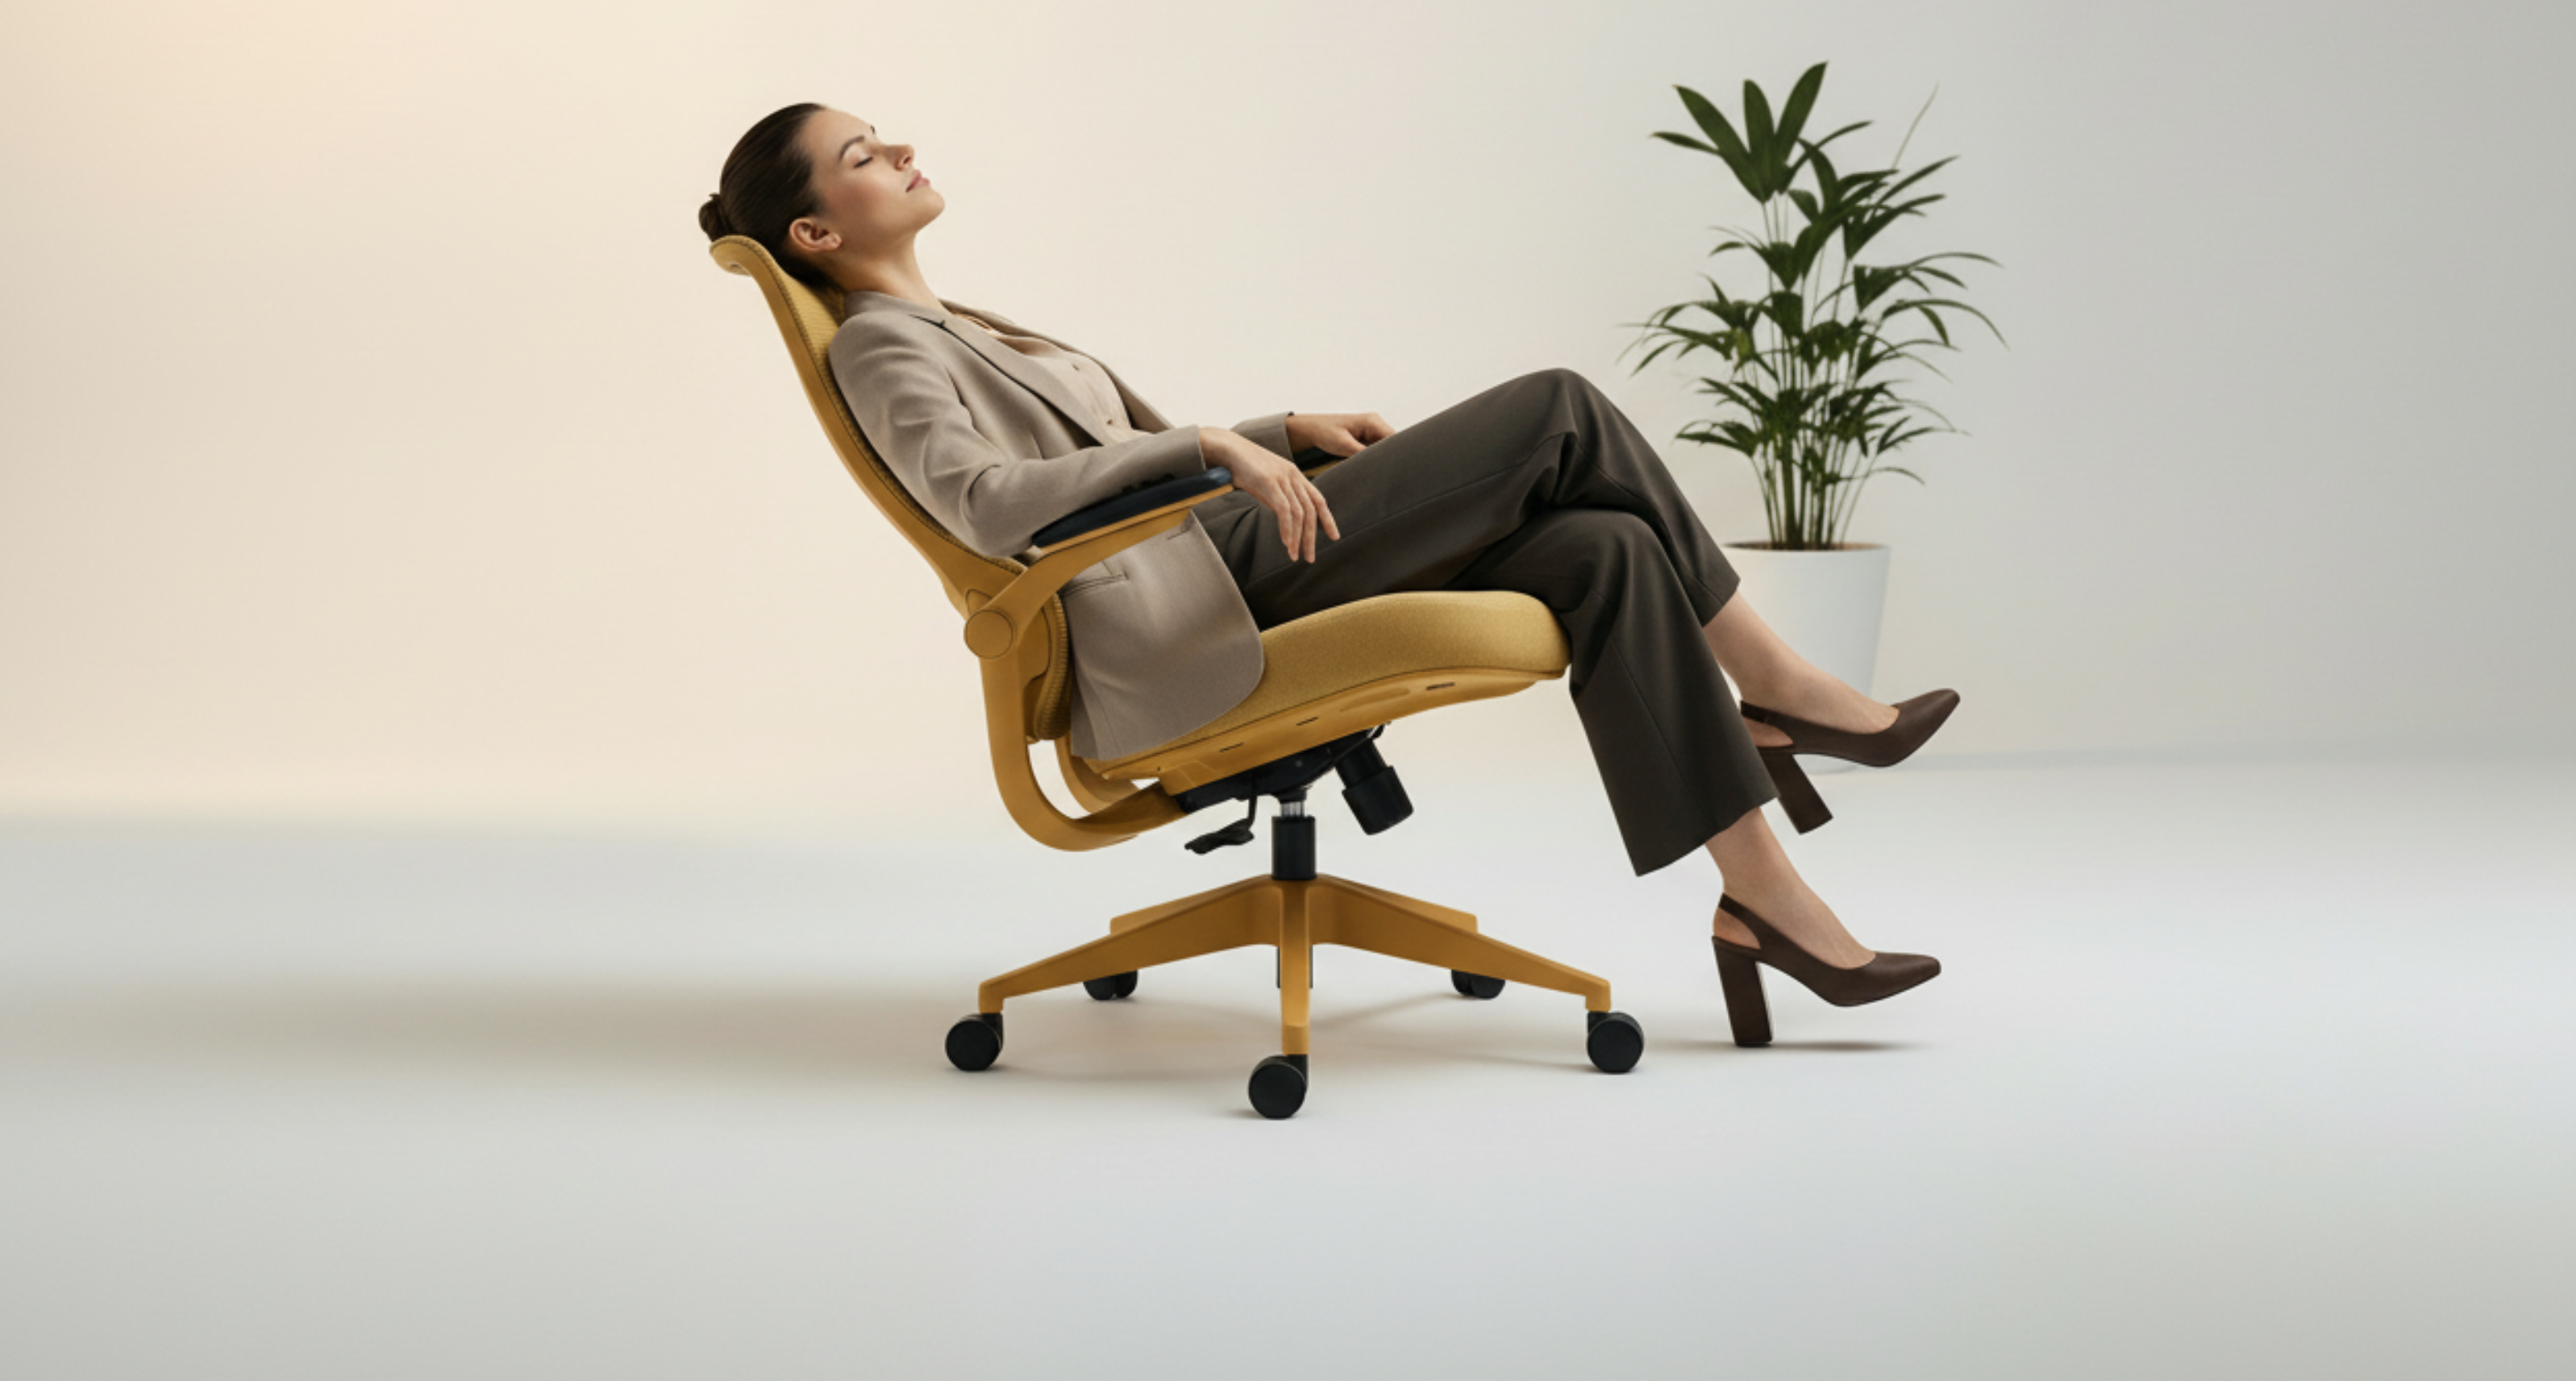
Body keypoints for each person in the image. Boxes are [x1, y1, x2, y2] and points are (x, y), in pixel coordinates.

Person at [697, 102, 1957, 1042]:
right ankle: (1784, 687)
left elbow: (1109, 465)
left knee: (1608, 548)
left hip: (1211, 559)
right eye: (866, 156)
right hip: (1192, 609)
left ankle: (1766, 901)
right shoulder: (879, 347)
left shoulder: (955, 324)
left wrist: (1277, 430)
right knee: (1560, 409)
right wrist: (1201, 443)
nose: (901, 148)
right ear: (813, 229)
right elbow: (979, 504)